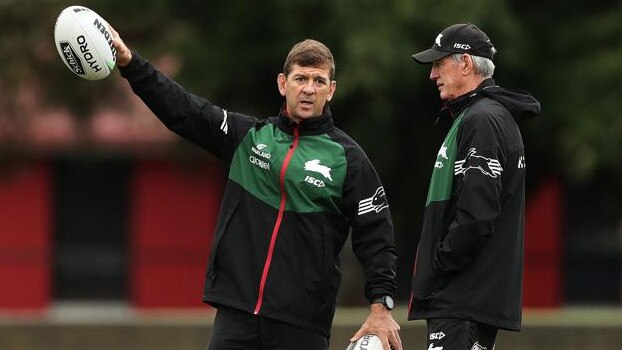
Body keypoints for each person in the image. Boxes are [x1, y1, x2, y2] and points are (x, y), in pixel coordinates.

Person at [110, 28, 402, 350]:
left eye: (318, 82)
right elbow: (182, 109)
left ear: (331, 90)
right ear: (282, 83)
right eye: (301, 79)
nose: (308, 89)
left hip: (301, 324)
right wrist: (130, 62)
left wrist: (381, 307)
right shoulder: (249, 137)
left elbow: (377, 237)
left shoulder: (349, 159)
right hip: (237, 314)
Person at [407, 23, 541, 350]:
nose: (432, 74)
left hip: (462, 297)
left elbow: (476, 213)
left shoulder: (482, 119)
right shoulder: (484, 116)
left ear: (465, 63)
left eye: (439, 64)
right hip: (466, 299)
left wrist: (440, 265)